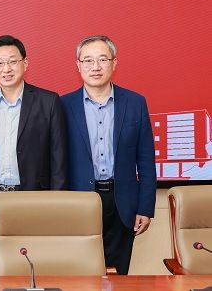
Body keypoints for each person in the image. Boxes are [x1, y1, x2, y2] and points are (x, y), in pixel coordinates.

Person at [0, 35, 67, 264]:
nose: (6, 69)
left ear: (25, 63)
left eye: (12, 61)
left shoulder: (48, 102)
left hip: (36, 200)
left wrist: (57, 206)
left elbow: (59, 160)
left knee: (35, 267)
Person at [61, 35, 156, 274]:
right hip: (78, 202)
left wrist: (145, 207)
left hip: (122, 202)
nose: (96, 67)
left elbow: (146, 160)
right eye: (88, 60)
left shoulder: (135, 103)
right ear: (78, 65)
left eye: (103, 59)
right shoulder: (62, 105)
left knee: (118, 276)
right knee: (79, 277)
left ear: (114, 63)